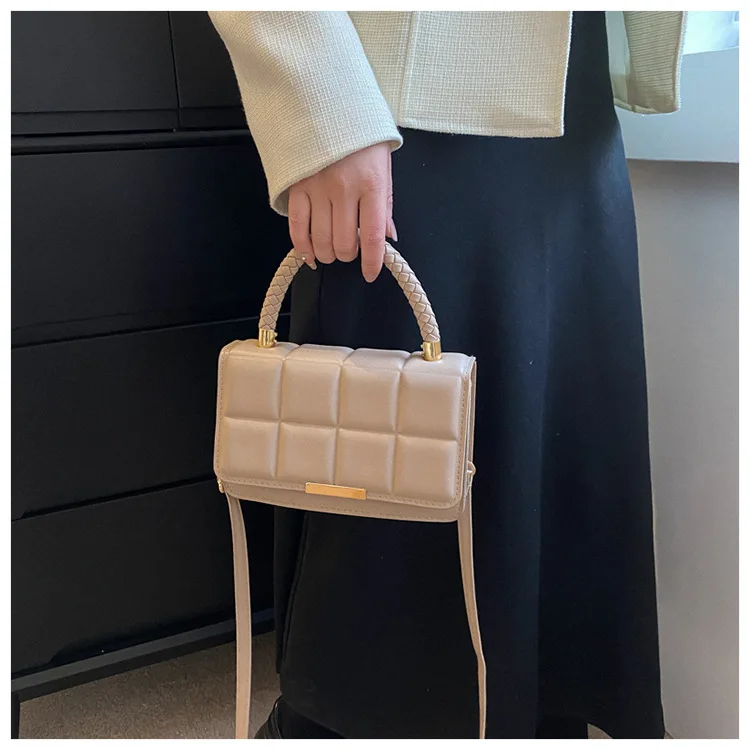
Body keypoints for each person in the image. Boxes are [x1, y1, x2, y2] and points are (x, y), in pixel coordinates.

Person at [210, 10, 686, 739]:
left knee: (557, 475)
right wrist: (324, 99)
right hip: (410, 112)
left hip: (571, 98)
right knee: (387, 488)